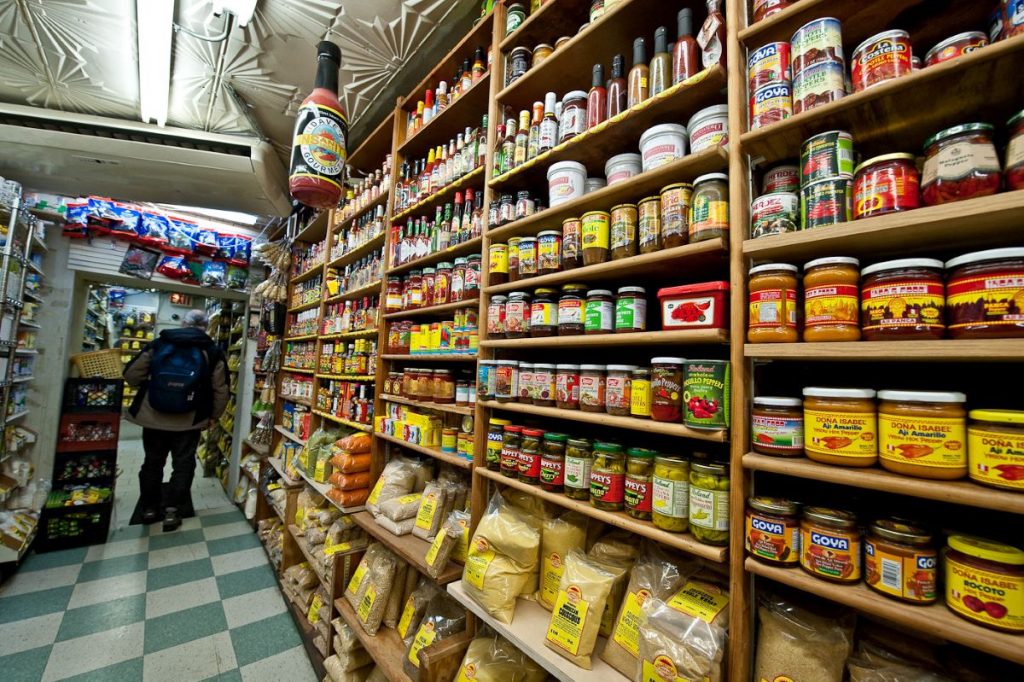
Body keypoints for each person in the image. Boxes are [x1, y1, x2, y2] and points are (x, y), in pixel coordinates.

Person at [123, 309, 229, 531]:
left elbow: (131, 375)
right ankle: (173, 510)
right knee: (183, 464)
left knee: (152, 462)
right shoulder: (212, 350)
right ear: (207, 326)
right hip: (189, 420)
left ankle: (150, 508)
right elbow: (221, 390)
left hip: (154, 417)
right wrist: (213, 417)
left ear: (183, 322)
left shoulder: (159, 344)